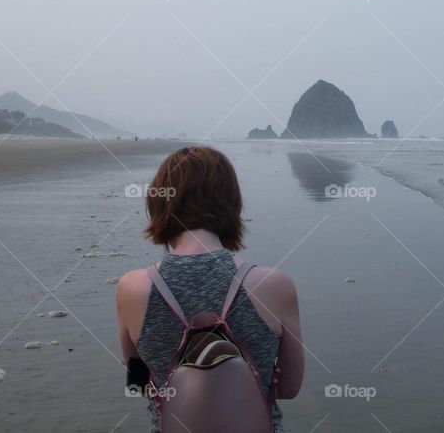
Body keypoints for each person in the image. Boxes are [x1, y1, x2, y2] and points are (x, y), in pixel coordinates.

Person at [115, 146, 304, 432]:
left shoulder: (132, 288)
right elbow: (289, 388)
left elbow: (140, 384)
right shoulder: (274, 285)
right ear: (231, 204)